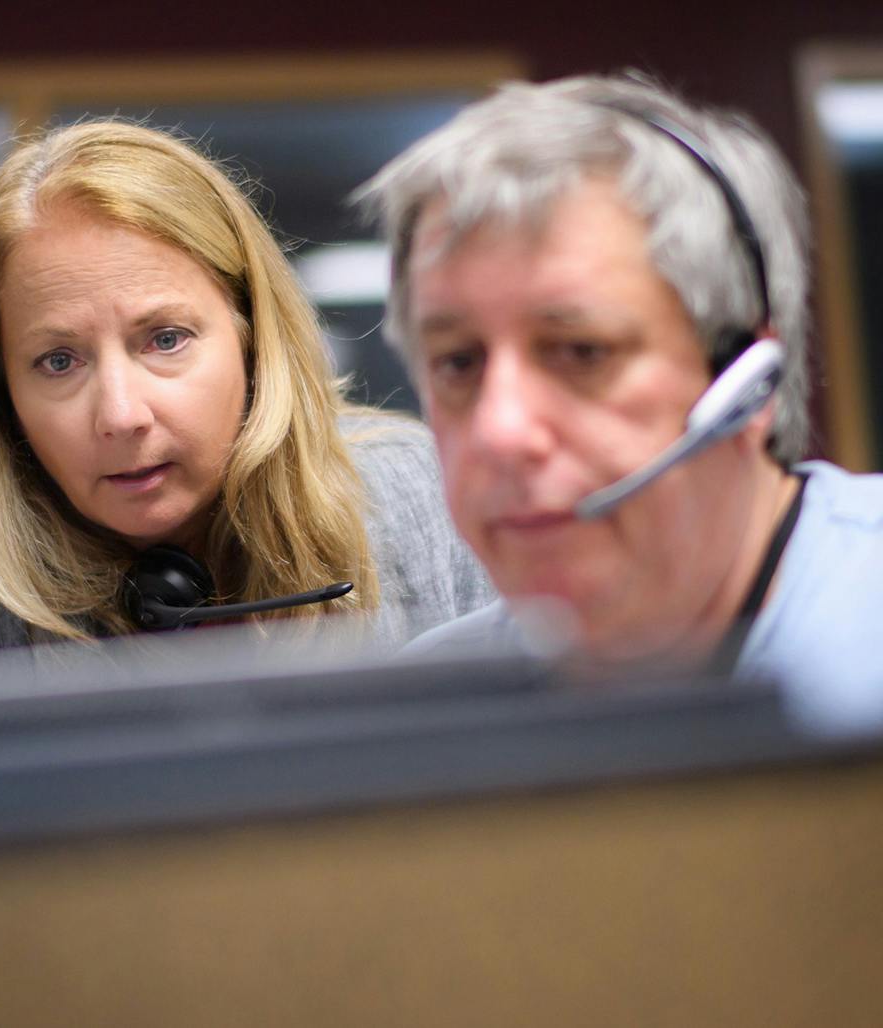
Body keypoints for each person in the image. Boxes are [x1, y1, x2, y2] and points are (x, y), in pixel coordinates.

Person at [0, 120, 492, 700]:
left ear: (253, 339)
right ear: (2, 395)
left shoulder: (410, 494)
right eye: (58, 361)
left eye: (165, 340)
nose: (122, 414)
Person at [359, 73, 883, 720]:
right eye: (458, 363)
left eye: (582, 352)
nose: (501, 432)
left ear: (746, 383)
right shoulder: (424, 717)